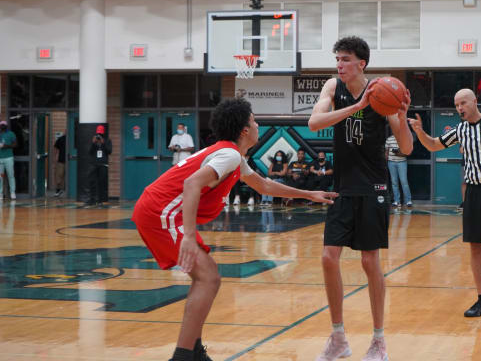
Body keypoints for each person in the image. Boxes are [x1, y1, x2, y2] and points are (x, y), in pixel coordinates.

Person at [131, 98, 337, 361]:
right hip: (160, 213)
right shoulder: (228, 154)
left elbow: (265, 186)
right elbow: (192, 184)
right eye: (254, 120)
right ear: (244, 130)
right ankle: (184, 355)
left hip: (159, 210)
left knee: (208, 277)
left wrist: (309, 194)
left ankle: (191, 350)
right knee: (208, 278)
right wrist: (190, 237)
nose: (257, 124)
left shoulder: (232, 156)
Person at [309, 36, 413, 361]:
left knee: (370, 262)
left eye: (345, 60)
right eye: (337, 59)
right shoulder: (332, 88)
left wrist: (402, 116)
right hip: (342, 187)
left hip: (373, 188)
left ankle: (379, 340)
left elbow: (407, 148)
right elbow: (314, 123)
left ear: (361, 64)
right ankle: (338, 337)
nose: (339, 65)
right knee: (328, 258)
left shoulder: (384, 93)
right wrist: (355, 107)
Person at [408, 88, 481, 322]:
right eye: (456, 105)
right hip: (473, 193)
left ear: (474, 102)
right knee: (475, 247)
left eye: (463, 103)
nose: (459, 108)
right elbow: (433, 145)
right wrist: (419, 131)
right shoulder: (460, 130)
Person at [385, 133, 412, 208]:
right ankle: (397, 201)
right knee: (394, 182)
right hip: (391, 162)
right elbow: (386, 152)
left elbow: (407, 152)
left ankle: (408, 200)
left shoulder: (404, 138)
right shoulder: (389, 139)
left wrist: (398, 152)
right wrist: (385, 162)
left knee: (404, 181)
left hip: (402, 162)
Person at [88, 125, 112, 206]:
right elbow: (90, 152)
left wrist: (103, 143)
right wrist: (93, 143)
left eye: (101, 134)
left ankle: (100, 200)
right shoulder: (94, 141)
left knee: (101, 182)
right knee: (92, 182)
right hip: (94, 164)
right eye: (98, 134)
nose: (99, 136)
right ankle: (92, 199)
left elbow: (109, 151)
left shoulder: (107, 141)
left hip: (103, 164)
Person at [0, 120, 17, 200]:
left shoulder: (11, 134)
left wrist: (5, 146)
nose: (2, 126)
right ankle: (0, 193)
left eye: (4, 125)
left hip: (9, 158)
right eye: (1, 125)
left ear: (6, 126)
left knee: (11, 175)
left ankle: (12, 192)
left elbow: (15, 144)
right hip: (0, 158)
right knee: (0, 176)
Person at [54, 133, 66, 197]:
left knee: (60, 175)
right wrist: (56, 156)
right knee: (59, 175)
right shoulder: (61, 139)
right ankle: (59, 189)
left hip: (65, 160)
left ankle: (60, 189)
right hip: (61, 160)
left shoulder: (71, 139)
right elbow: (55, 148)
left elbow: (55, 148)